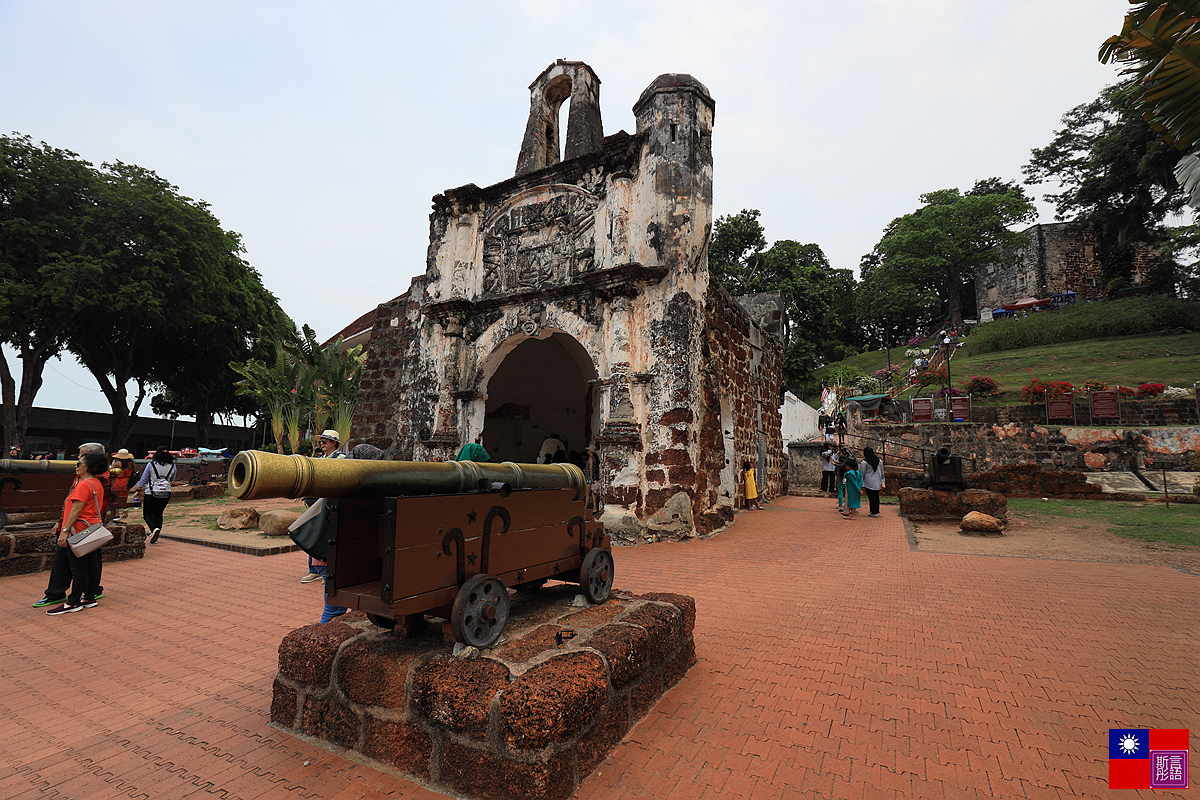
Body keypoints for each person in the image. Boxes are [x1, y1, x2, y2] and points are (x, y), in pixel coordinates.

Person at [33, 443, 112, 609]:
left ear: (90, 462)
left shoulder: (89, 482)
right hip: (89, 526)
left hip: (81, 529)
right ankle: (88, 594)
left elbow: (77, 508)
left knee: (78, 565)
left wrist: (64, 529)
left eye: (80, 459)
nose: (77, 460)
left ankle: (73, 599)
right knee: (87, 563)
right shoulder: (92, 480)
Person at [303, 430, 347, 583]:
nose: (321, 443)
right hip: (316, 500)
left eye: (324, 441)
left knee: (326, 534)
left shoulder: (342, 458)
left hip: (330, 502)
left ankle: (326, 569)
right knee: (315, 532)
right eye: (320, 441)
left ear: (334, 442)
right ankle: (314, 569)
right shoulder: (320, 458)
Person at [135, 446, 176, 544]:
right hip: (166, 493)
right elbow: (172, 479)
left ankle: (154, 529)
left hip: (151, 493)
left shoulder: (151, 465)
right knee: (159, 513)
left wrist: (139, 488)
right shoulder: (172, 466)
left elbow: (144, 479)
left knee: (147, 514)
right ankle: (156, 533)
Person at [109, 449, 136, 521]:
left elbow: (111, 472)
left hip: (117, 481)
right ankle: (124, 508)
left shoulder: (116, 463)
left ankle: (116, 514)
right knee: (125, 495)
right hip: (127, 482)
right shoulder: (132, 463)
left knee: (116, 497)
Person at [860, 447, 884, 518]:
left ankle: (874, 511)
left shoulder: (864, 462)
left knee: (871, 497)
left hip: (869, 482)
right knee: (876, 496)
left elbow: (862, 473)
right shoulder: (879, 461)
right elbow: (881, 471)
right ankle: (875, 510)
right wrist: (882, 480)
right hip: (877, 481)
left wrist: (861, 483)